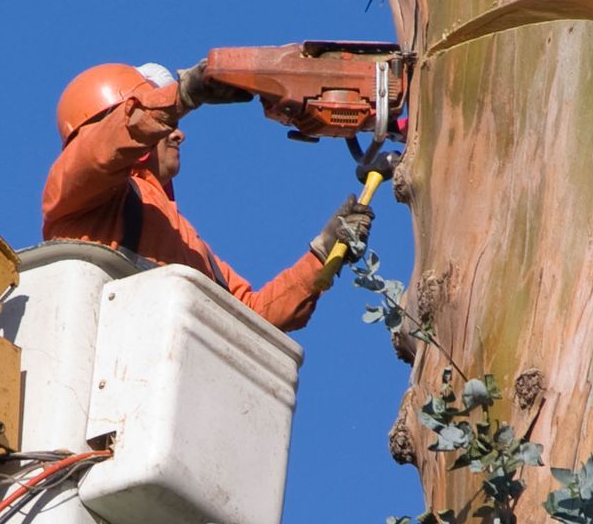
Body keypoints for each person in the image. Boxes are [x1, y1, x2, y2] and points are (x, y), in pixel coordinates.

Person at [42, 60, 372, 333]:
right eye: (163, 122)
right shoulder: (76, 194)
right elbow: (103, 148)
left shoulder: (184, 241)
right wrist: (181, 97)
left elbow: (255, 316)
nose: (178, 133)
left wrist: (323, 253)